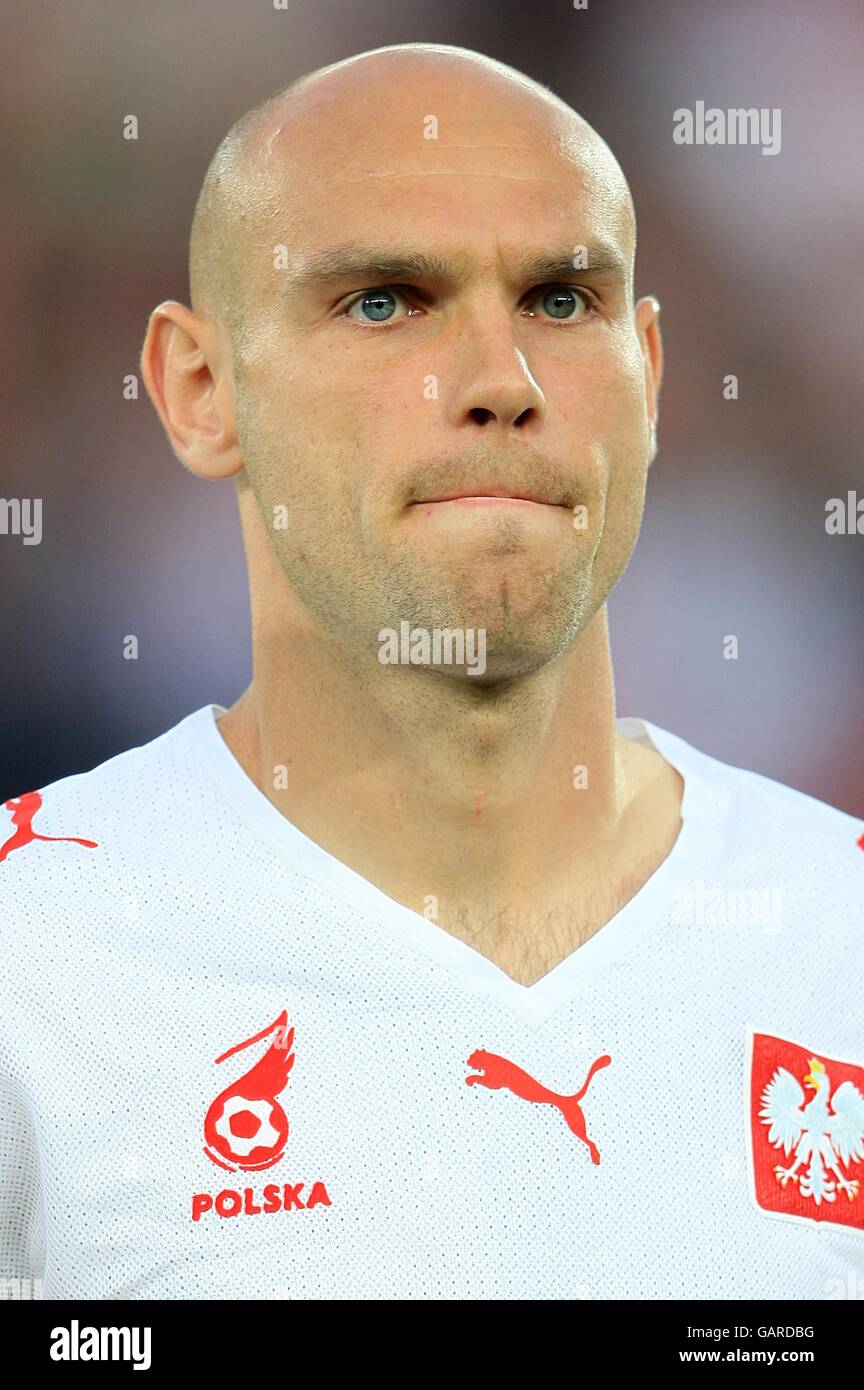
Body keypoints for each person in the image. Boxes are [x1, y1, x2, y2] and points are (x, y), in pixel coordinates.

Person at [2, 43, 862, 1302]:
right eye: (386, 300)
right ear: (200, 389)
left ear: (653, 379)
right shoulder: (35, 962)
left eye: (562, 301)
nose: (501, 384)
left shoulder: (837, 935)